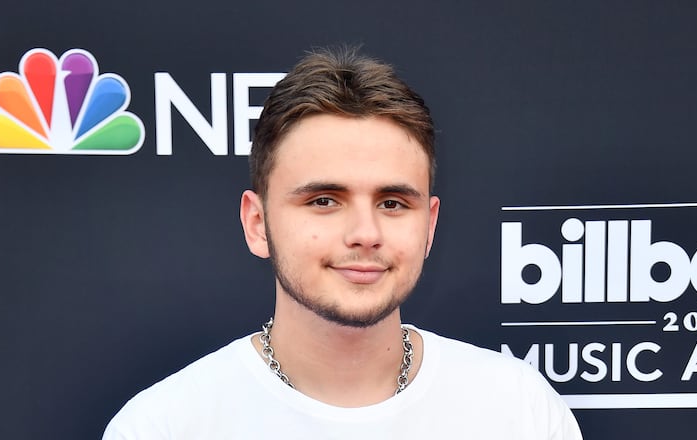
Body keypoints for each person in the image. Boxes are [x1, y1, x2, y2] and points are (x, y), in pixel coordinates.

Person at [102, 46, 582, 439]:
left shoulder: (520, 412)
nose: (365, 234)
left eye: (393, 203)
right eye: (324, 201)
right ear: (256, 222)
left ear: (430, 226)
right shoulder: (163, 426)